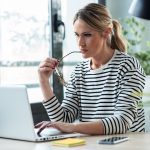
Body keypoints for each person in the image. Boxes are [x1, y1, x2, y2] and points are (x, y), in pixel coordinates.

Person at [35, 3, 146, 135]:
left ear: (106, 33)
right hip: (93, 145)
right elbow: (62, 120)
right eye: (77, 35)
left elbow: (121, 122)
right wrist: (44, 82)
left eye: (87, 35)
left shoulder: (129, 67)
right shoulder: (78, 72)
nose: (80, 42)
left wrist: (74, 127)